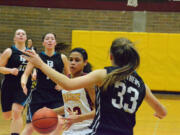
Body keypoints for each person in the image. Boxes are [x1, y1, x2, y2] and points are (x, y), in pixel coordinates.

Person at [23, 37, 167, 135]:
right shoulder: (142, 84)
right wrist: (159, 114)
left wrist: (40, 64)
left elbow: (68, 84)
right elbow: (163, 111)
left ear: (111, 56)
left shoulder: (104, 75)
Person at [21, 32, 70, 135]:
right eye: (47, 39)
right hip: (39, 95)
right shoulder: (36, 57)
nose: (50, 40)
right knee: (30, 127)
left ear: (55, 42)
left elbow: (69, 75)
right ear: (43, 43)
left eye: (52, 39)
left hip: (56, 96)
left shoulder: (62, 58)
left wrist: (63, 84)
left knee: (60, 123)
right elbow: (25, 74)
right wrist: (23, 83)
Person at [54, 48, 95, 135]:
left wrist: (79, 118)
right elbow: (69, 106)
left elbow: (99, 110)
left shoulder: (88, 82)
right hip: (69, 130)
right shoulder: (65, 80)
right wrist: (51, 112)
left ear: (85, 62)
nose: (72, 62)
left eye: (77, 60)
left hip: (87, 129)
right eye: (71, 59)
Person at [0, 29, 32, 135]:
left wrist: (35, 72)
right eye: (18, 34)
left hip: (23, 86)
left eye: (23, 34)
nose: (21, 35)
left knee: (17, 112)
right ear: (14, 38)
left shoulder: (30, 53)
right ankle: (16, 113)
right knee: (7, 115)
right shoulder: (9, 51)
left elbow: (35, 66)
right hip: (8, 86)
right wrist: (10, 70)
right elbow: (0, 67)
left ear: (26, 38)